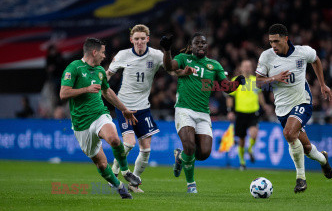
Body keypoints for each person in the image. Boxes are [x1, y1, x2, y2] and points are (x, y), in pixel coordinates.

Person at [106, 24, 193, 193]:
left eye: (142, 39)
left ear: (148, 38)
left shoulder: (156, 55)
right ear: (131, 40)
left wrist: (185, 73)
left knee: (146, 150)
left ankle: (134, 183)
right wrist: (99, 85)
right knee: (129, 144)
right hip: (124, 106)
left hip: (143, 107)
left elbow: (172, 71)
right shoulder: (123, 55)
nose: (139, 42)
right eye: (136, 39)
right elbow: (108, 74)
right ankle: (115, 171)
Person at [160, 32, 245, 193]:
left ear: (207, 46)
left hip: (203, 114)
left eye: (203, 43)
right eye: (197, 43)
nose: (200, 45)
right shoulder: (184, 58)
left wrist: (237, 83)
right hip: (184, 109)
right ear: (191, 46)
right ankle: (191, 184)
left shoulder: (214, 65)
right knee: (190, 146)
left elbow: (226, 87)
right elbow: (169, 67)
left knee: (204, 153)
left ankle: (180, 157)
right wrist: (167, 51)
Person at [255, 23, 332, 193]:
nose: (273, 45)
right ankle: (323, 160)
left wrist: (322, 84)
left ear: (286, 39)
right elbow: (258, 83)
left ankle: (301, 179)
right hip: (282, 108)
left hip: (302, 102)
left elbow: (316, 60)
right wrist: (273, 78)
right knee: (305, 147)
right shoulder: (266, 57)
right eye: (270, 42)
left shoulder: (302, 52)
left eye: (276, 41)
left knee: (289, 133)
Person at [59, 37, 142, 199]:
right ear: (94, 52)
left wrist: (124, 109)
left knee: (115, 140)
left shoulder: (100, 71)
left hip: (99, 115)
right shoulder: (74, 68)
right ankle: (118, 186)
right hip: (81, 124)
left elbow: (107, 92)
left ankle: (125, 171)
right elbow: (63, 94)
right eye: (103, 53)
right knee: (102, 164)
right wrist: (86, 89)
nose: (105, 56)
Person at [226, 59, 272, 170]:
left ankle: (250, 149)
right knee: (241, 140)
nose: (247, 68)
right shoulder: (235, 80)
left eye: (248, 66)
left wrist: (264, 105)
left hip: (253, 112)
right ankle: (242, 162)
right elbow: (230, 97)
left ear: (252, 68)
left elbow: (259, 94)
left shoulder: (255, 81)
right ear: (241, 68)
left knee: (254, 134)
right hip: (240, 113)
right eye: (244, 66)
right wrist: (230, 111)